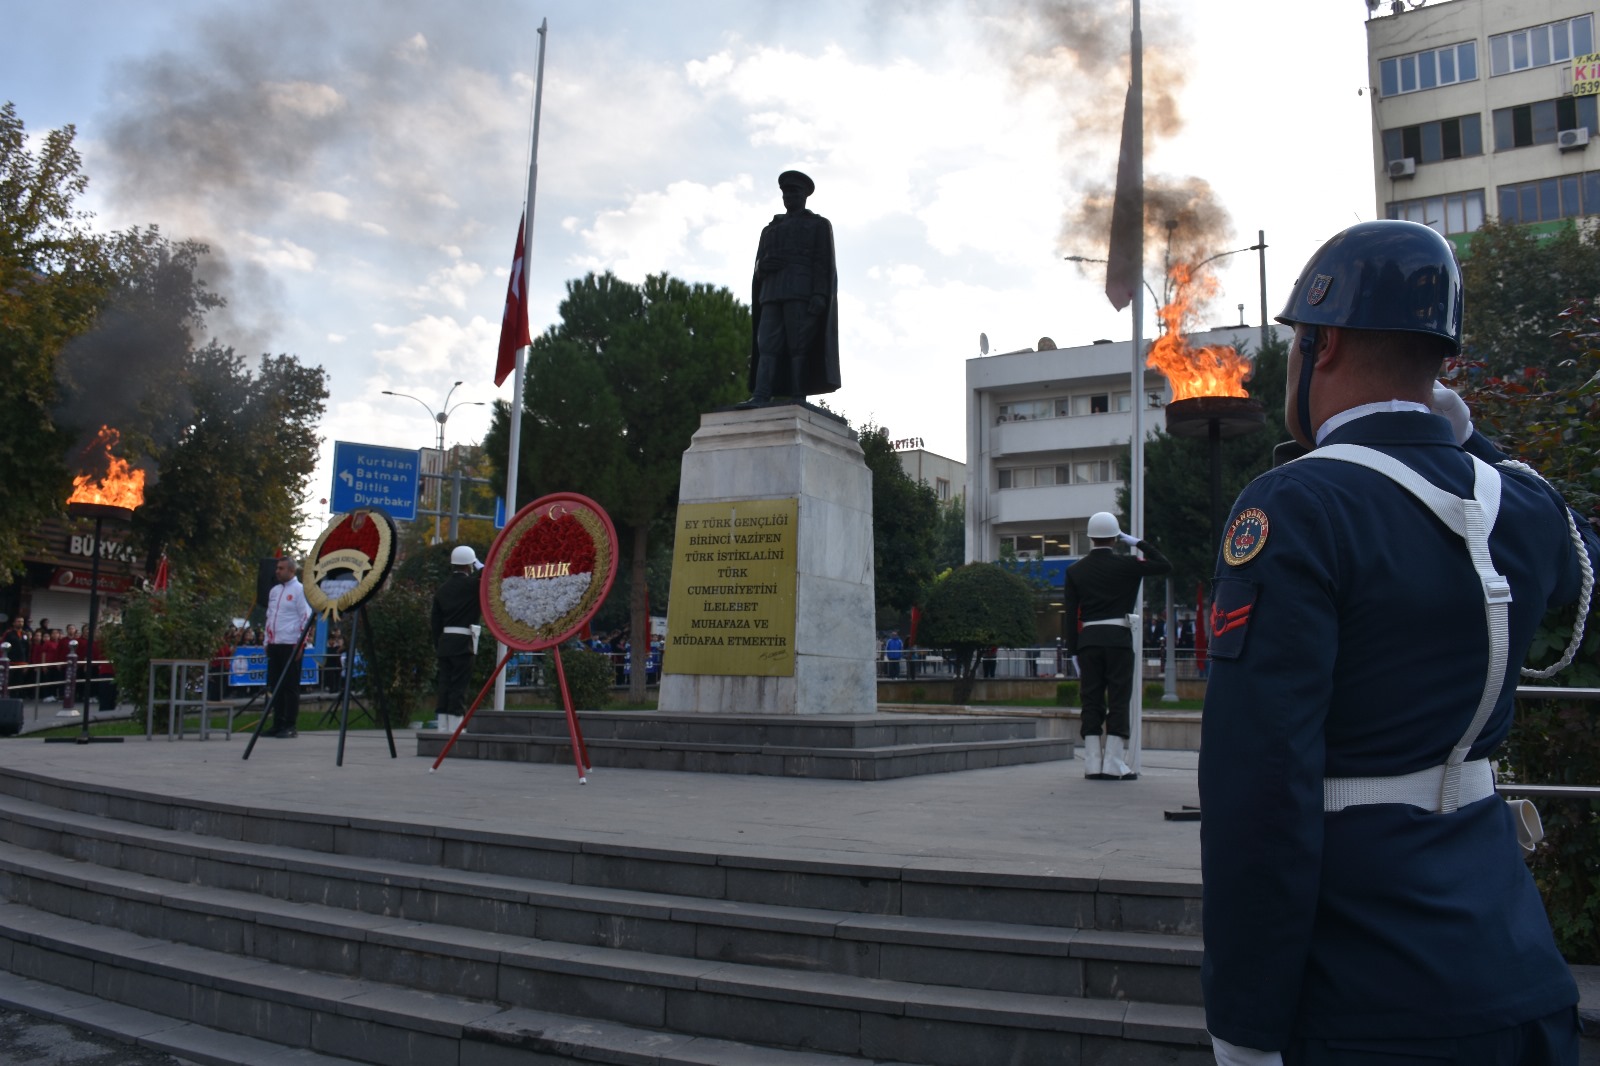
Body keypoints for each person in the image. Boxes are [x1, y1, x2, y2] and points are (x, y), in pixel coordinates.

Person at [1199, 220, 1600, 1066]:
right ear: (1442, 360)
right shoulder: (1514, 508)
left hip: (1368, 986)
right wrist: (1472, 445)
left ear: (1323, 343)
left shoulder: (1297, 507)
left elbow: (1259, 789)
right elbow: (1581, 556)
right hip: (1517, 970)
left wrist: (1244, 1023)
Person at [1061, 512, 1171, 780]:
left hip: (1088, 642)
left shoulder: (1075, 570)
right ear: (1115, 537)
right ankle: (1113, 762)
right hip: (1118, 639)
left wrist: (1073, 651)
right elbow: (1164, 565)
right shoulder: (1127, 565)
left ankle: (1092, 762)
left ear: (1090, 538)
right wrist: (1138, 542)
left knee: (1091, 699)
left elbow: (1070, 613)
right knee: (1119, 698)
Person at [738, 170, 841, 407]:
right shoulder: (770, 229)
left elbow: (823, 262)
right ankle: (761, 395)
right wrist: (762, 267)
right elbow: (758, 266)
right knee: (767, 346)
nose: (789, 197)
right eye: (785, 193)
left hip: (801, 293)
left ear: (804, 195)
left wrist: (819, 294)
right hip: (771, 293)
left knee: (799, 345)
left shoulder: (818, 225)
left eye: (794, 192)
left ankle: (797, 395)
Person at [431, 545, 483, 725]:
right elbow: (490, 576)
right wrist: (478, 564)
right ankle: (455, 724)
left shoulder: (442, 589)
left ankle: (442, 724)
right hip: (464, 642)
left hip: (445, 642)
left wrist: (439, 644)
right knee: (459, 685)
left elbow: (435, 623)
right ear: (470, 565)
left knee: (444, 683)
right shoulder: (474, 586)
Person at [263, 556, 313, 738]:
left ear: (291, 571)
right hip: (275, 643)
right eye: (277, 568)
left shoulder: (300, 590)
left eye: (281, 568)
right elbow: (270, 616)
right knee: (275, 685)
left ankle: (290, 725)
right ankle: (277, 723)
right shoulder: (274, 591)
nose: (277, 571)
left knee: (290, 687)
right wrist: (266, 641)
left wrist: (301, 644)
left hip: (291, 644)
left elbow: (305, 617)